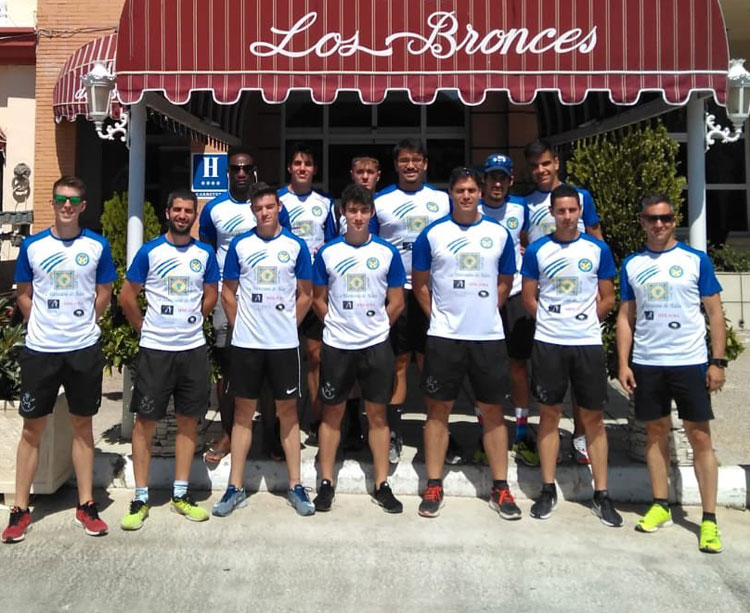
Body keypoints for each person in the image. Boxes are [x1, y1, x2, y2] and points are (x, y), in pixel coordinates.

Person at [2, 176, 116, 543]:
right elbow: (24, 293)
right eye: (60, 200)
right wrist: (44, 324)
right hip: (41, 349)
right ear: (52, 203)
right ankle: (20, 509)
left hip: (83, 348)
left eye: (73, 201)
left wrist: (86, 322)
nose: (66, 206)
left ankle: (86, 504)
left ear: (83, 206)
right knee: (32, 429)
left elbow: (105, 291)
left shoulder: (97, 245)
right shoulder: (33, 245)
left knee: (83, 427)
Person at [617, 194, 726, 553]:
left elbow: (715, 315)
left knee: (700, 439)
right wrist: (623, 363)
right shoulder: (633, 263)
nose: (659, 224)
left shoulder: (696, 260)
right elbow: (625, 317)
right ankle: (660, 505)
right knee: (655, 435)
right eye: (652, 219)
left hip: (690, 361)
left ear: (673, 219)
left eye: (665, 218)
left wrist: (717, 361)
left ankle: (708, 520)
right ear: (642, 221)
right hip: (649, 362)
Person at [412, 167, 521, 520]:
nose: (467, 196)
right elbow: (420, 285)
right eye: (460, 190)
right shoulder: (432, 234)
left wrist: (488, 310)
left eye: (472, 190)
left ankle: (501, 487)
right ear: (450, 194)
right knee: (437, 412)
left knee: (492, 412)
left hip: (487, 337)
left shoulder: (498, 234)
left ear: (480, 193)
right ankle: (433, 483)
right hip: (444, 338)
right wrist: (439, 317)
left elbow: (505, 282)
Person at [521, 184, 622, 527]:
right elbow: (529, 298)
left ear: (580, 212)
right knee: (549, 415)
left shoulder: (598, 249)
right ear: (551, 213)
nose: (566, 217)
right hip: (549, 343)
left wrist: (585, 322)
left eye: (572, 211)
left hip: (587, 343)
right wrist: (552, 322)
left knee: (593, 418)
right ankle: (547, 488)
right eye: (560, 211)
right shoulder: (537, 250)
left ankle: (602, 493)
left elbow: (607, 296)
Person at [213, 183, 315, 518]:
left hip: (283, 345)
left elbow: (306, 294)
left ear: (278, 208)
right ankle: (235, 487)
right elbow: (228, 292)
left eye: (269, 207)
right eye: (258, 208)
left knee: (288, 414)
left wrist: (289, 325)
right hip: (247, 344)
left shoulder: (295, 245)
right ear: (253, 211)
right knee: (243, 414)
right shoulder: (241, 245)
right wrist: (240, 324)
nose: (264, 213)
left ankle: (296, 486)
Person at [119, 190, 219, 529]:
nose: (182, 215)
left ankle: (180, 493)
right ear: (167, 212)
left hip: (191, 349)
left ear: (194, 215)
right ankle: (141, 496)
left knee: (189, 420)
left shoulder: (205, 253)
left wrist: (194, 318)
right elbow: (127, 296)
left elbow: (211, 293)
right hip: (155, 350)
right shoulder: (150, 251)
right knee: (145, 423)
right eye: (177, 209)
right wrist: (143, 327)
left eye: (188, 210)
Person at [312, 183, 406, 513]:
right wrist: (334, 324)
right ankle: (326, 482)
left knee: (378, 416)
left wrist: (379, 328)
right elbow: (317, 299)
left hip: (375, 345)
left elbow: (396, 301)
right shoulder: (328, 252)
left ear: (372, 213)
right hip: (338, 344)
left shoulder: (386, 252)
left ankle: (382, 484)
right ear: (343, 213)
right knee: (332, 412)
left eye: (363, 211)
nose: (358, 216)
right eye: (352, 210)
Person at [372, 138, 452, 464]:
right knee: (399, 362)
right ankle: (394, 430)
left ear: (425, 164)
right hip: (395, 291)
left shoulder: (442, 200)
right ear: (396, 165)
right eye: (404, 160)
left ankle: (438, 433)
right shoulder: (381, 201)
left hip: (432, 291)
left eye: (416, 160)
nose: (410, 166)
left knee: (430, 361)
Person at [524, 139, 604, 465]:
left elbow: (598, 241)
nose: (541, 170)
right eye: (535, 166)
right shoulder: (525, 202)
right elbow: (523, 243)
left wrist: (594, 306)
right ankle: (551, 448)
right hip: (546, 304)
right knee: (550, 393)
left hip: (582, 303)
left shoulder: (581, 196)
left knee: (585, 393)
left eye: (546, 163)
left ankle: (581, 437)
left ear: (556, 162)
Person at [198, 145, 258, 465]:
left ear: (254, 172)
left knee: (266, 364)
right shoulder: (213, 209)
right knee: (228, 365)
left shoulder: (266, 207)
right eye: (235, 169)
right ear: (227, 174)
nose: (241, 174)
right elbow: (207, 253)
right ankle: (228, 432)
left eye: (246, 168)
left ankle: (270, 431)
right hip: (226, 296)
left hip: (263, 297)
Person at [478, 153, 538, 467]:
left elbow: (527, 241)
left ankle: (521, 430)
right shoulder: (471, 208)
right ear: (483, 181)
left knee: (517, 366)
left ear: (511, 180)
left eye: (503, 177)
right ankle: (483, 431)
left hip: (513, 294)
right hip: (480, 298)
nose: (497, 183)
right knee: (483, 367)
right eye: (492, 177)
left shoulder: (520, 208)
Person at [278, 143, 337, 447]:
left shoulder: (325, 204)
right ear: (290, 167)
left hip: (313, 290)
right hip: (282, 289)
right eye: (297, 163)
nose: (302, 168)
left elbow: (330, 247)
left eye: (308, 163)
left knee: (315, 357)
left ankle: (315, 419)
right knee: (282, 357)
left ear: (314, 169)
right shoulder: (277, 200)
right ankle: (281, 421)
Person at [337, 155, 383, 450]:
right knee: (350, 370)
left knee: (381, 370)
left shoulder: (386, 206)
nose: (365, 176)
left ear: (378, 175)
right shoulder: (339, 208)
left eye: (370, 172)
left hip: (377, 297)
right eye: (360, 172)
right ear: (352, 173)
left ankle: (385, 427)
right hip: (347, 296)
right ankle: (352, 421)